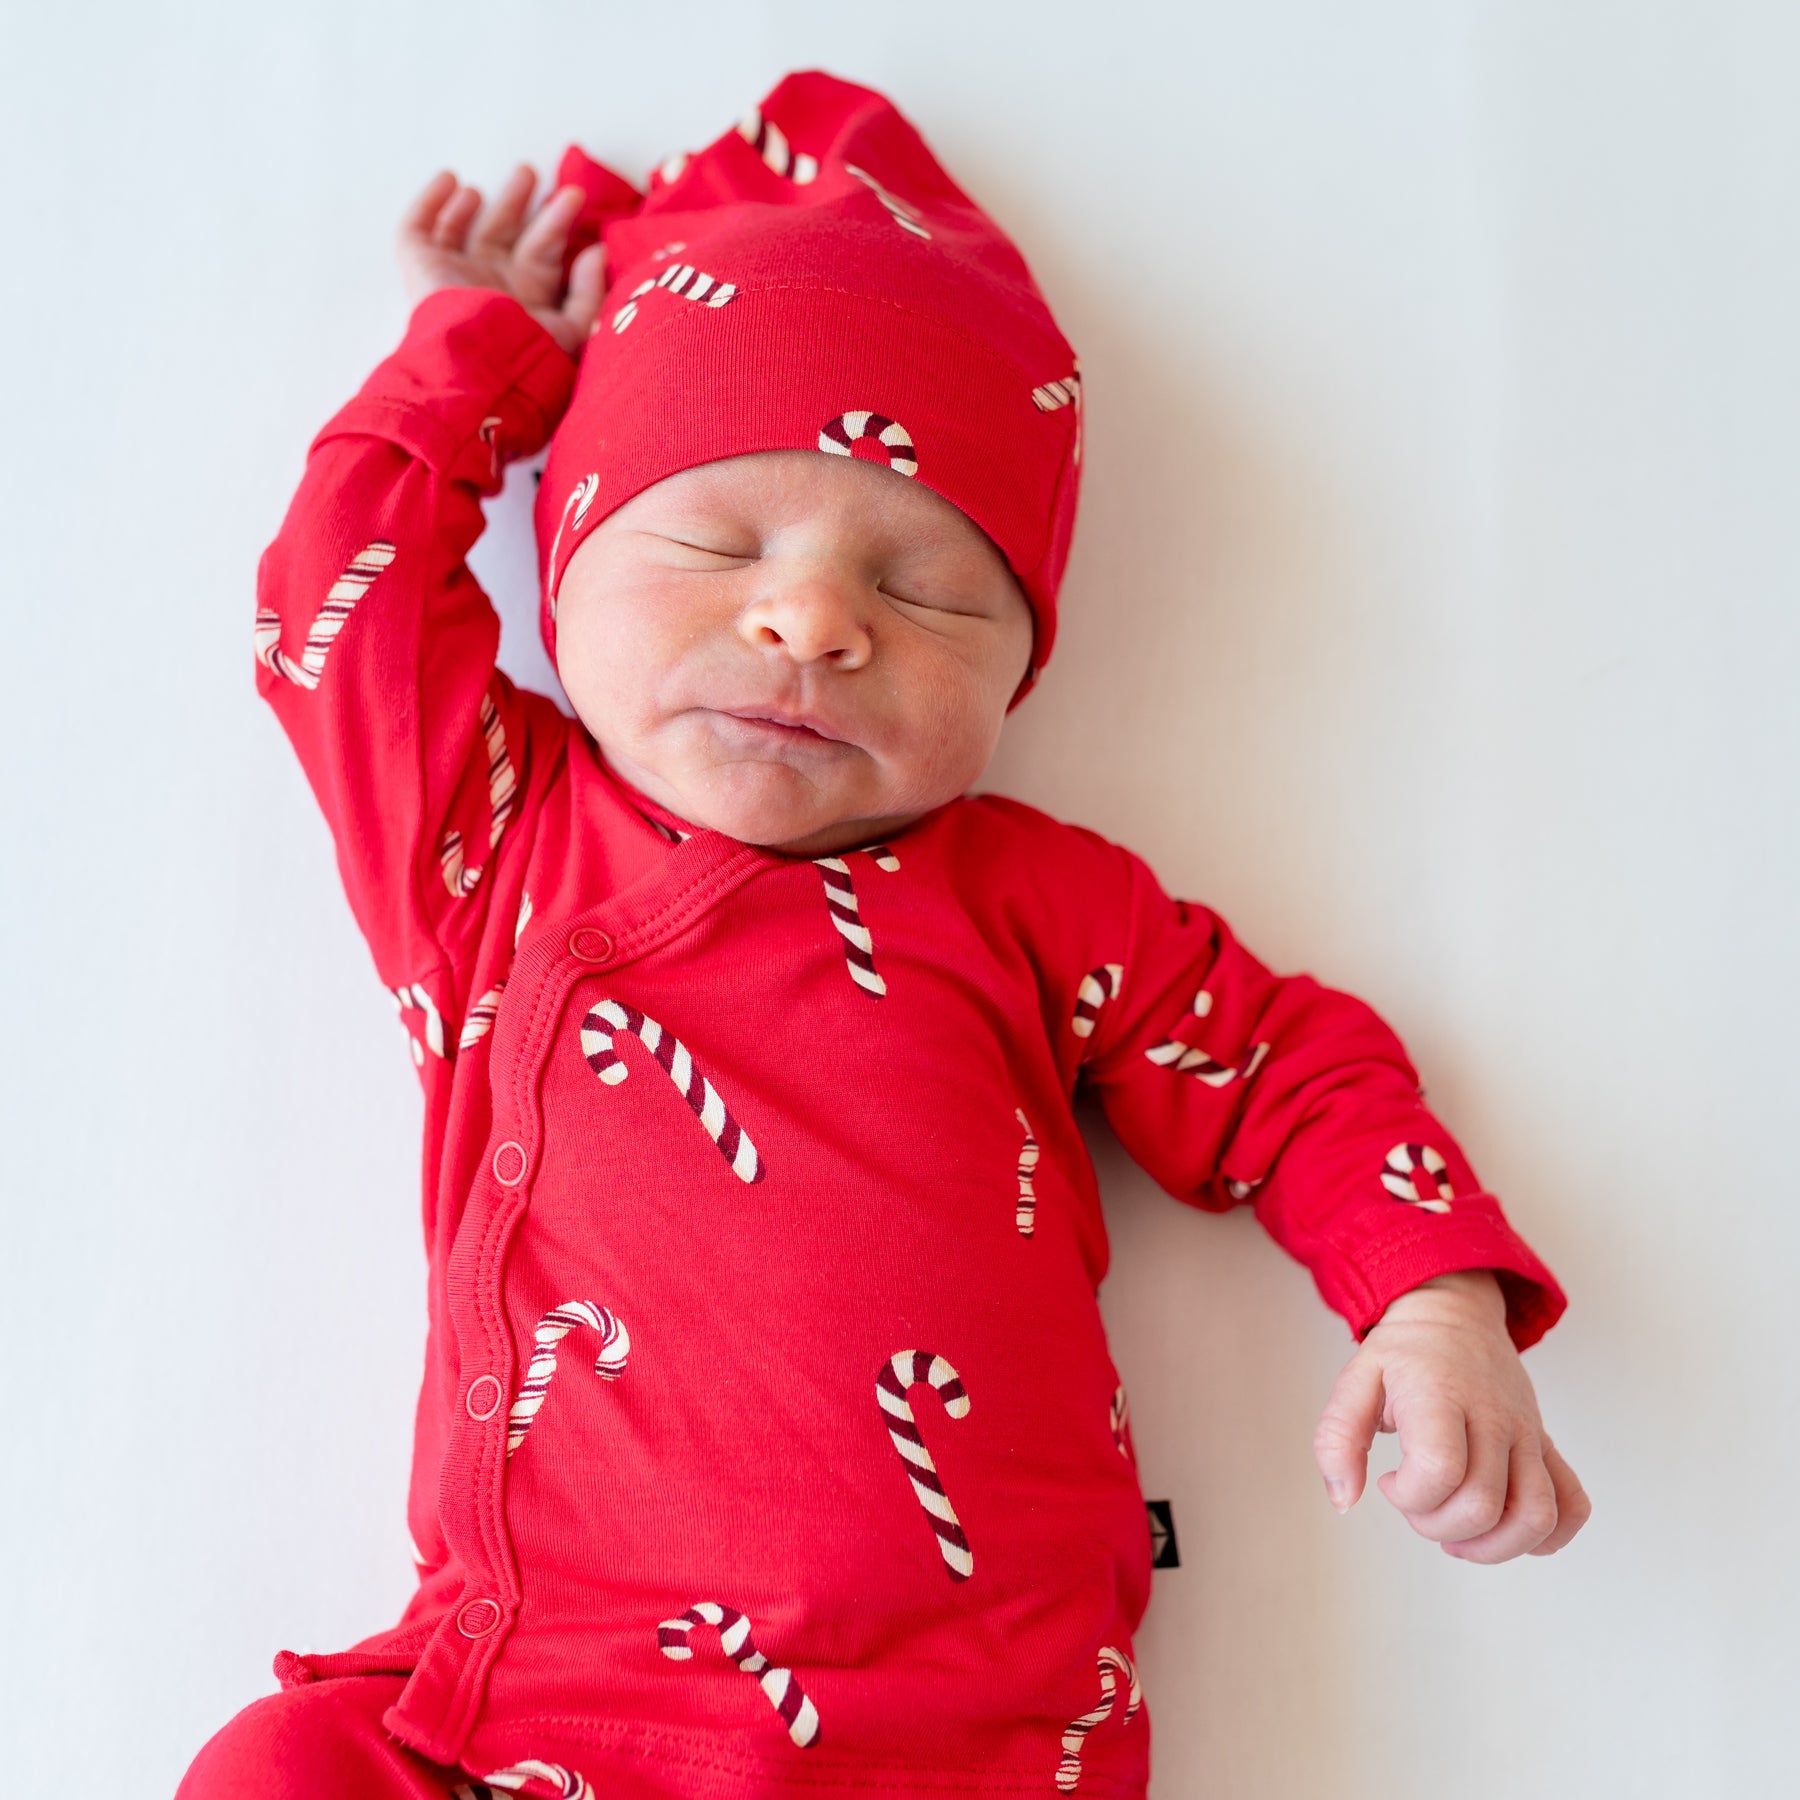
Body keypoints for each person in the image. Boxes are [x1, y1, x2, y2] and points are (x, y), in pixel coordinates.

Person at [179, 69, 1589, 1800]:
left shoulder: (1036, 904)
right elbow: (340, 596)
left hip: (970, 1737)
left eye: (922, 589)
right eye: (713, 545)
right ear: (563, 569)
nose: (809, 620)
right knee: (280, 1768)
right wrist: (490, 350)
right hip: (544, 1707)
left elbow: (1290, 1070)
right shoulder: (497, 848)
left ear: (1020, 667)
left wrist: (1433, 1306)